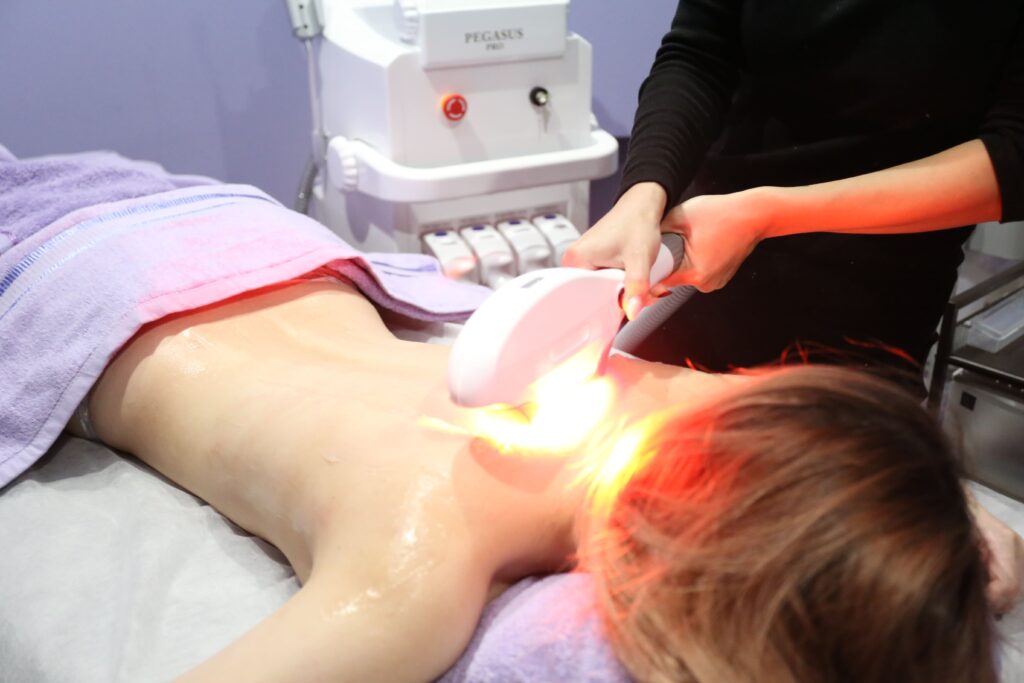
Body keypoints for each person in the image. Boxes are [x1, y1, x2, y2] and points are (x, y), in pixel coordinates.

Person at [71, 273, 998, 682]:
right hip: (89, 288)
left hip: (247, 248)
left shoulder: (677, 399)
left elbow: (909, 493)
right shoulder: (422, 556)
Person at [566, 1, 1023, 382]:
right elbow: (699, 51)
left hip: (866, 297)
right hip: (699, 242)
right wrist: (644, 192)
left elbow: (1013, 157)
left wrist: (768, 215)